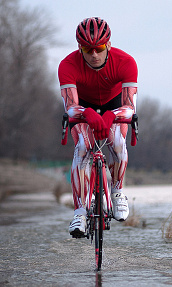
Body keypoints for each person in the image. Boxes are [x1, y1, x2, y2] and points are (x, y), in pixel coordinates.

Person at [58, 17, 138, 238]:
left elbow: (130, 108)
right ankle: (80, 213)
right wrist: (88, 113)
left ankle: (118, 192)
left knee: (118, 143)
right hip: (84, 107)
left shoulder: (126, 62)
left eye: (99, 48)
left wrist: (112, 114)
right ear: (79, 48)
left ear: (108, 45)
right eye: (87, 49)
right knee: (83, 146)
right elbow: (70, 106)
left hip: (114, 106)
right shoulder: (67, 65)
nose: (94, 54)